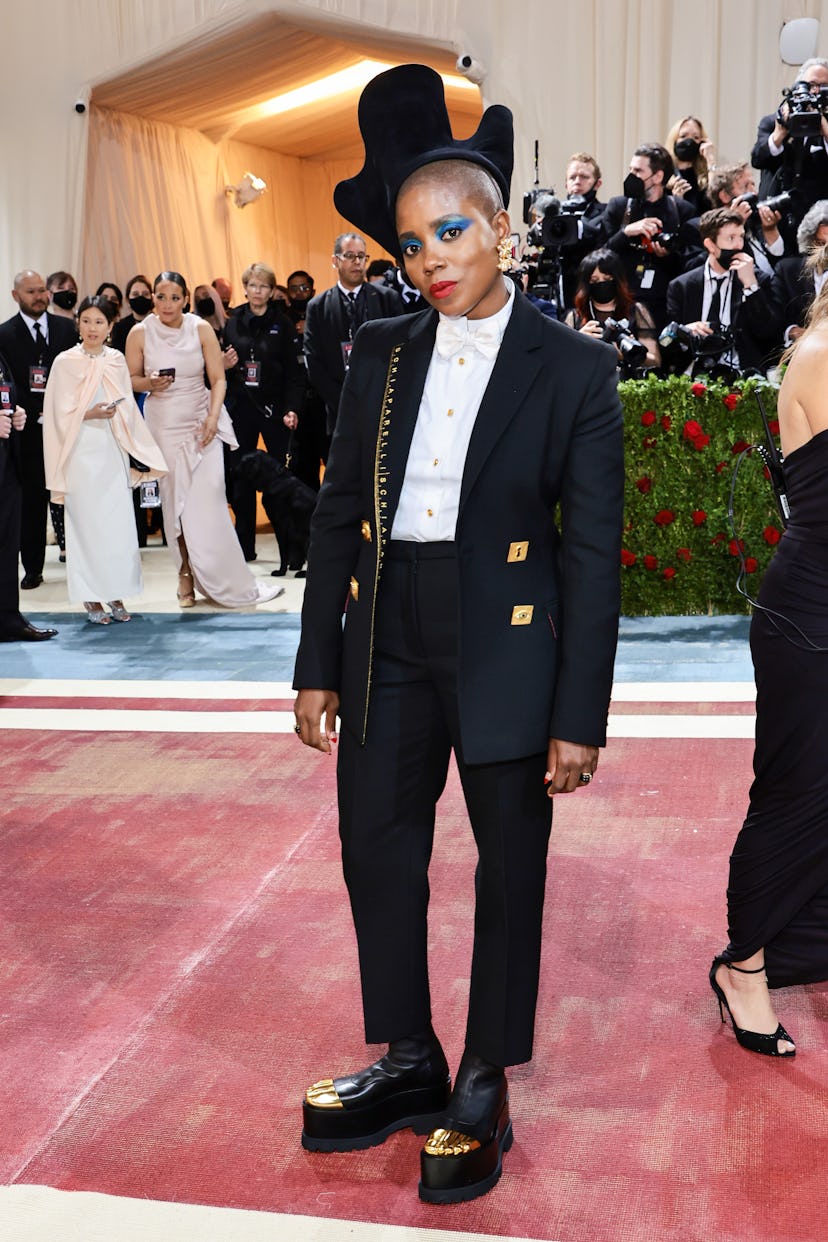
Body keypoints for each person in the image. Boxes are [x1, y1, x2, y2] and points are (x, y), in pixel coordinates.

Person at [293, 64, 624, 1205]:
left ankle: (484, 1075)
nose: (429, 258)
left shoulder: (577, 368)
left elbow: (592, 555)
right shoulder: (382, 350)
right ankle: (410, 1055)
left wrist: (579, 715)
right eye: (410, 242)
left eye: (449, 232)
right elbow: (339, 514)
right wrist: (314, 665)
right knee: (375, 849)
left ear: (500, 232)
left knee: (507, 868)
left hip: (510, 642)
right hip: (385, 636)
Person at [709, 240, 828, 1060]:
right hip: (810, 617)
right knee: (793, 792)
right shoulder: (820, 355)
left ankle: (801, 941)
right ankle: (743, 966)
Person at [125, 271, 282, 608]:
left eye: (175, 297)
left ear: (185, 299)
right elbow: (130, 379)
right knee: (175, 506)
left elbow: (218, 379)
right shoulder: (139, 333)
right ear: (153, 297)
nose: (167, 304)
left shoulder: (200, 328)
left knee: (209, 503)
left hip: (201, 422)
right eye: (161, 296)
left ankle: (225, 578)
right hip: (163, 425)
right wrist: (148, 383)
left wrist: (213, 417)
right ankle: (184, 575)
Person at [43, 296, 167, 624]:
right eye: (86, 321)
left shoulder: (115, 360)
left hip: (111, 451)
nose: (92, 328)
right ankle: (90, 597)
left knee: (116, 527)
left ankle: (115, 592)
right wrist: (89, 413)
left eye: (99, 322)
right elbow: (55, 414)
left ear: (111, 326)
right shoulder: (65, 362)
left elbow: (126, 407)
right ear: (78, 324)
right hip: (80, 453)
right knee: (85, 527)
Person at [0, 270, 77, 590]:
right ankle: (33, 567)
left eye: (42, 290)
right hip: (26, 432)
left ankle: (81, 562)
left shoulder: (68, 328)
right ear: (16, 296)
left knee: (72, 497)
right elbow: (7, 383)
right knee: (31, 501)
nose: (40, 296)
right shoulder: (4, 334)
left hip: (67, 427)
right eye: (31, 292)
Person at [222, 262, 304, 563]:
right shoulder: (233, 322)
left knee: (284, 478)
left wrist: (292, 408)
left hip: (275, 410)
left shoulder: (281, 323)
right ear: (245, 288)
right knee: (240, 477)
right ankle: (244, 547)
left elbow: (295, 374)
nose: (257, 291)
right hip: (242, 409)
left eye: (264, 286)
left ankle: (295, 546)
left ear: (272, 291)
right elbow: (223, 369)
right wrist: (225, 365)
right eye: (253, 285)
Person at [303, 231, 404, 435]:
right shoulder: (318, 306)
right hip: (339, 407)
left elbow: (402, 349)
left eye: (361, 256)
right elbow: (313, 361)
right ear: (335, 260)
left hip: (385, 403)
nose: (357, 262)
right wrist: (343, 400)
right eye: (349, 256)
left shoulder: (387, 299)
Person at [599, 143, 702, 332]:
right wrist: (625, 232)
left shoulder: (681, 210)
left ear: (658, 176)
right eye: (630, 169)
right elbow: (599, 256)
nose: (632, 176)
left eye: (638, 171)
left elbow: (692, 263)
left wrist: (667, 255)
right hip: (623, 301)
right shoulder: (618, 206)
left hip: (663, 303)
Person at [665, 207, 776, 374]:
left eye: (741, 237)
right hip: (692, 375)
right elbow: (667, 343)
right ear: (710, 244)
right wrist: (686, 331)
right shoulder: (682, 286)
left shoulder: (759, 280)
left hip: (741, 374)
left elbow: (767, 332)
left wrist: (751, 287)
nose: (739, 245)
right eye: (731, 238)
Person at [0, 348, 57, 641]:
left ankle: (8, 618)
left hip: (8, 460)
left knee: (8, 544)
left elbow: (5, 390)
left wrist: (14, 411)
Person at [751, 57, 828, 217]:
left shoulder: (826, 126)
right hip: (776, 212)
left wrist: (824, 127)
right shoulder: (772, 121)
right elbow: (758, 159)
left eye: (823, 87)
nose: (815, 92)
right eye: (811, 85)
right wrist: (780, 132)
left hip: (817, 219)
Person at [565, 247, 660, 369]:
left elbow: (655, 360)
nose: (601, 283)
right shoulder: (575, 317)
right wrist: (578, 340)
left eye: (607, 279)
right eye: (594, 280)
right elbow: (560, 360)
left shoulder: (636, 311)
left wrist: (631, 352)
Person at [707, 163, 796, 276]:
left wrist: (770, 231)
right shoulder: (708, 229)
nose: (754, 192)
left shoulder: (755, 223)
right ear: (725, 196)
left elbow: (784, 269)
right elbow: (726, 266)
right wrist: (735, 225)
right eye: (745, 187)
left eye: (753, 185)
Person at [769, 199, 828, 350]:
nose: (825, 252)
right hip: (798, 356)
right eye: (821, 244)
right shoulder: (787, 270)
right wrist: (792, 331)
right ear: (810, 240)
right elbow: (770, 322)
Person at [665, 115, 715, 213]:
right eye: (683, 136)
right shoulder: (663, 175)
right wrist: (677, 201)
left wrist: (710, 160)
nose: (689, 142)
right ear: (674, 141)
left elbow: (714, 201)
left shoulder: (705, 176)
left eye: (696, 137)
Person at [111, 275, 154, 353]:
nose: (140, 297)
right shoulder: (119, 328)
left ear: (152, 297)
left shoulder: (161, 323)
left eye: (145, 294)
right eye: (135, 294)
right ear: (128, 300)